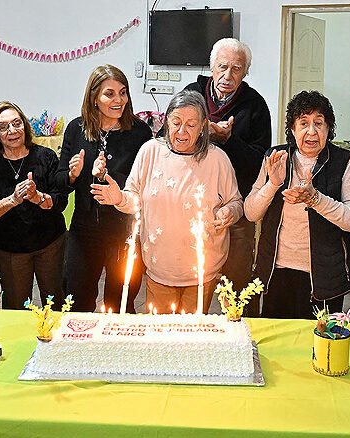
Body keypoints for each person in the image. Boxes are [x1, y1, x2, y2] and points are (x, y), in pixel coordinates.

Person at [92, 90, 242, 313]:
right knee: (160, 331)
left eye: (191, 125)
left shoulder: (217, 159)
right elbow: (134, 200)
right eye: (176, 122)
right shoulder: (150, 152)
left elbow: (236, 202)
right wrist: (119, 198)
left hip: (203, 269)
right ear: (167, 122)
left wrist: (230, 212)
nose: (182, 131)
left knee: (192, 331)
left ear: (203, 126)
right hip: (159, 267)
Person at [245, 90, 350, 319]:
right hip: (276, 269)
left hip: (324, 275)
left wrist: (315, 199)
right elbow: (251, 213)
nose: (311, 131)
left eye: (319, 123)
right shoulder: (275, 156)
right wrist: (272, 184)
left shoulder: (343, 161)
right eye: (303, 123)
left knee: (318, 338)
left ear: (328, 129)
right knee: (278, 335)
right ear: (292, 129)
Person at [183, 38, 271, 313]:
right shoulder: (192, 95)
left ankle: (240, 332)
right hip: (192, 205)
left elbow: (259, 162)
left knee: (238, 284)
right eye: (222, 67)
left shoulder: (255, 106)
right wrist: (202, 134)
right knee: (192, 282)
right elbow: (170, 140)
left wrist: (229, 140)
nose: (228, 75)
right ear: (212, 67)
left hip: (236, 209)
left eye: (236, 68)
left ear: (245, 72)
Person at [56, 65, 152, 313]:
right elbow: (59, 182)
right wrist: (73, 174)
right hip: (84, 229)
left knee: (120, 302)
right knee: (77, 300)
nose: (119, 100)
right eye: (110, 94)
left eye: (123, 92)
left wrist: (108, 176)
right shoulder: (76, 129)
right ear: (94, 98)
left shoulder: (139, 132)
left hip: (124, 229)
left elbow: (143, 182)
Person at [0, 101, 67, 310]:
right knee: (16, 307)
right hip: (11, 249)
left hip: (50, 243)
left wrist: (37, 197)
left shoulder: (45, 156)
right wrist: (13, 200)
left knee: (55, 302)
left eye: (16, 123)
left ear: (25, 125)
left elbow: (60, 201)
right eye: (3, 127)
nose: (12, 130)